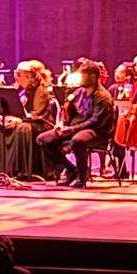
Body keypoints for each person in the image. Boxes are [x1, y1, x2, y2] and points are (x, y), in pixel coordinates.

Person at [41, 60, 114, 190]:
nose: (81, 78)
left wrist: (72, 129)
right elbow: (68, 111)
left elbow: (95, 121)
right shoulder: (79, 92)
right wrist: (62, 124)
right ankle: (71, 169)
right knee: (43, 139)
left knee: (78, 140)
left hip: (96, 132)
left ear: (93, 76)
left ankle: (82, 175)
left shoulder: (103, 97)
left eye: (83, 75)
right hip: (76, 128)